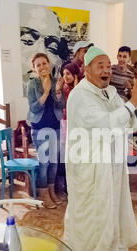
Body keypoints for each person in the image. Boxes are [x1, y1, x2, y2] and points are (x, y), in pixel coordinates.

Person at [63, 46, 137, 251]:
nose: (106, 70)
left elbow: (125, 119)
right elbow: (106, 122)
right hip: (89, 165)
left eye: (108, 66)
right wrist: (132, 102)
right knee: (91, 210)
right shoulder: (79, 96)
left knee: (110, 205)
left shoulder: (110, 92)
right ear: (87, 71)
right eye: (100, 66)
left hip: (110, 161)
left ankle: (109, 249)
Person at [27, 53, 66, 209]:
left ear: (49, 64)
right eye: (38, 65)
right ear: (34, 68)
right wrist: (45, 93)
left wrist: (57, 91)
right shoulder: (32, 85)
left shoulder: (57, 81)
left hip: (55, 127)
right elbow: (34, 108)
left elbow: (61, 105)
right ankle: (43, 195)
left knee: (54, 163)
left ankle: (51, 192)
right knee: (44, 163)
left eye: (44, 63)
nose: (42, 67)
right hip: (39, 128)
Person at [55, 62, 81, 199]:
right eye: (64, 74)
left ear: (75, 75)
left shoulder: (81, 88)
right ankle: (67, 186)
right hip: (65, 125)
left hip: (78, 126)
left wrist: (76, 87)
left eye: (68, 74)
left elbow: (79, 106)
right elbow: (60, 106)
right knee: (67, 157)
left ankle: (78, 186)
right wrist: (58, 91)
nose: (65, 77)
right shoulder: (63, 89)